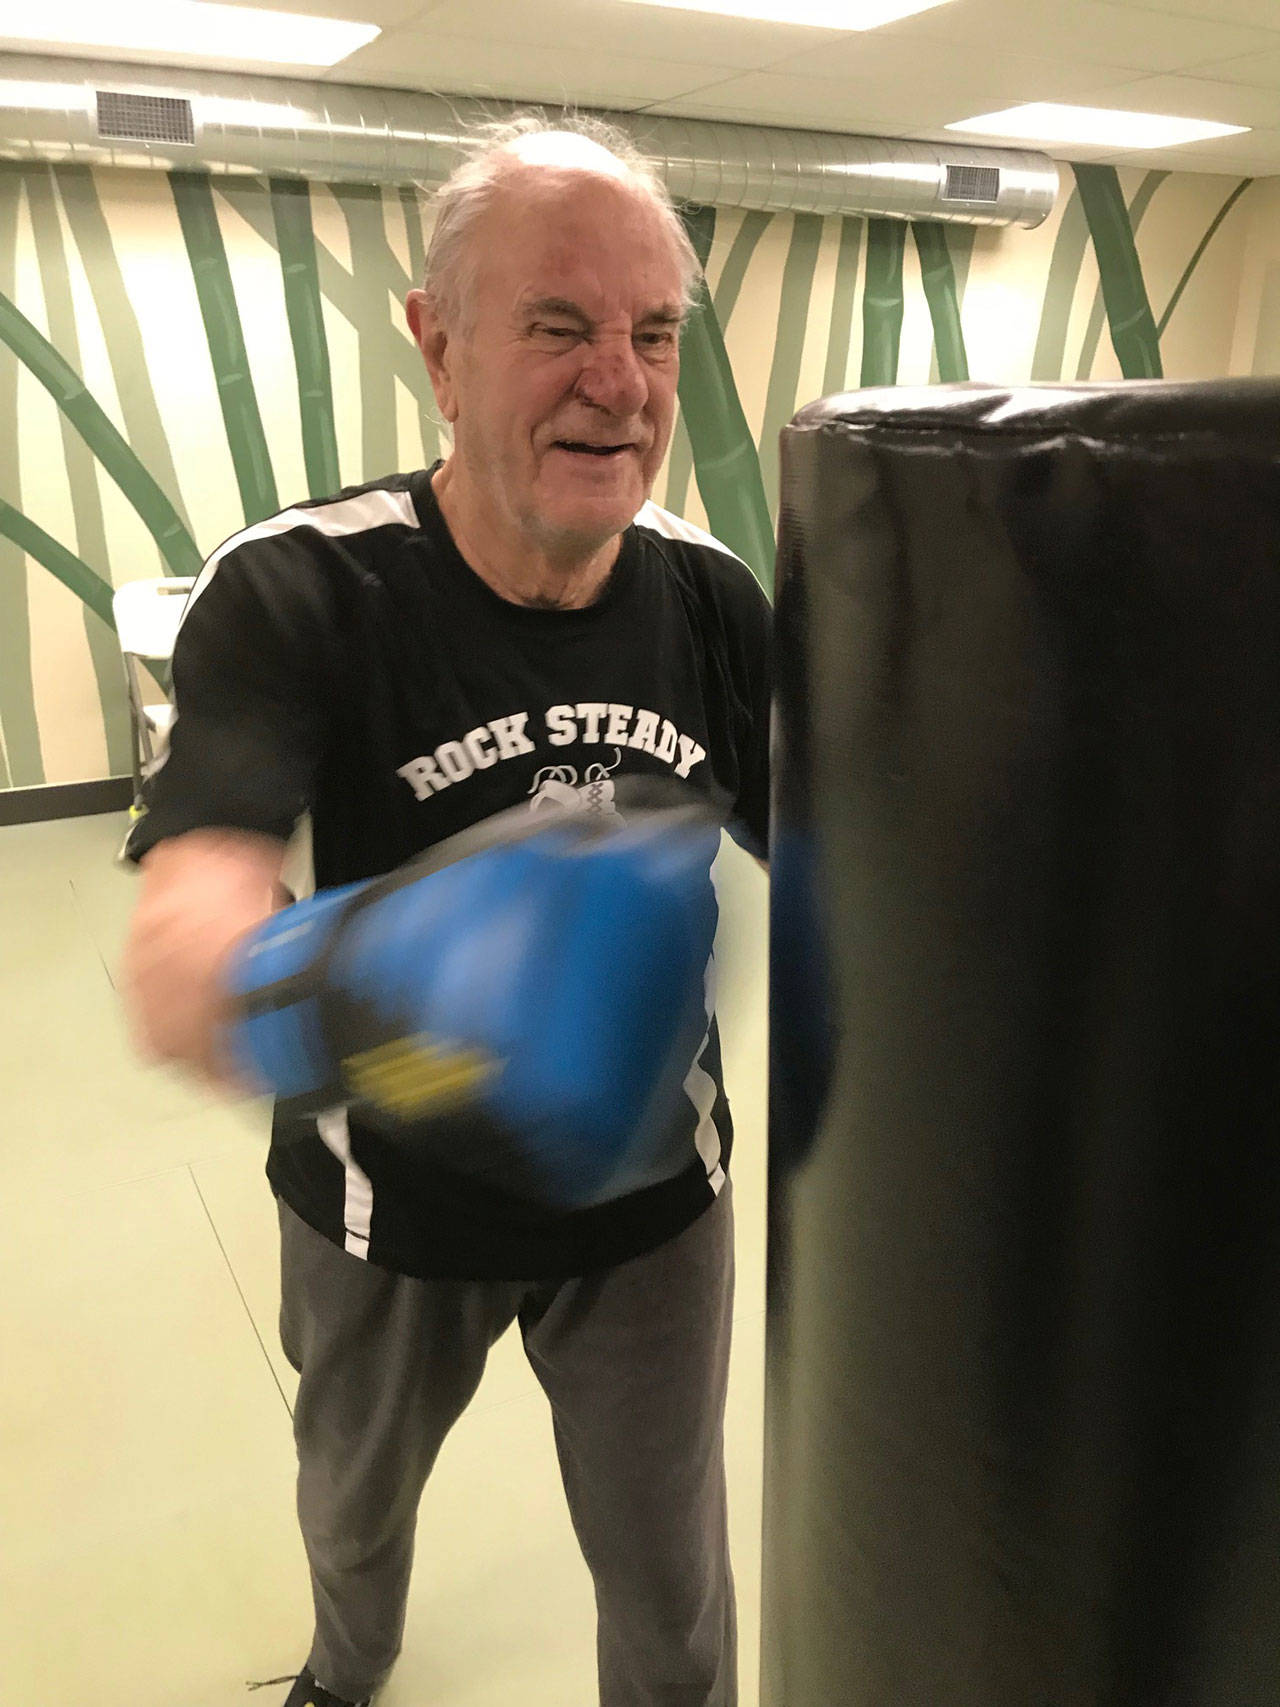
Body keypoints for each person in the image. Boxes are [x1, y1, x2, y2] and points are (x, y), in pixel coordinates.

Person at [121, 113, 772, 1707]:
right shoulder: (303, 589)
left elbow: (871, 860)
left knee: (673, 1588)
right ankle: (345, 1679)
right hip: (381, 1208)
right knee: (353, 1519)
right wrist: (382, 983)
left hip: (650, 1207)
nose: (617, 382)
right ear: (440, 348)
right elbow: (182, 939)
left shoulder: (708, 603)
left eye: (651, 332)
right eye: (559, 325)